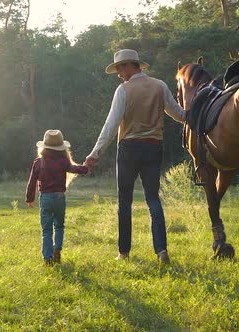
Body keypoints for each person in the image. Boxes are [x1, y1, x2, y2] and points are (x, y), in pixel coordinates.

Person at [85, 49, 186, 264]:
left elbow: (111, 125)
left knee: (125, 201)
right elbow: (178, 114)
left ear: (129, 66)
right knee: (152, 198)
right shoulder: (160, 85)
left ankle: (123, 252)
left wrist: (95, 154)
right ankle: (161, 251)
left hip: (129, 148)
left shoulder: (124, 90)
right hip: (154, 147)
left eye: (120, 69)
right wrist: (196, 116)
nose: (119, 74)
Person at [26, 129, 89, 266]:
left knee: (47, 230)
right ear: (61, 148)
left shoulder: (39, 162)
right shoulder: (63, 161)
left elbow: (32, 182)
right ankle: (57, 251)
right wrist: (86, 167)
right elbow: (75, 169)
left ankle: (47, 259)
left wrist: (30, 198)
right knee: (59, 226)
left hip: (45, 198)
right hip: (60, 198)